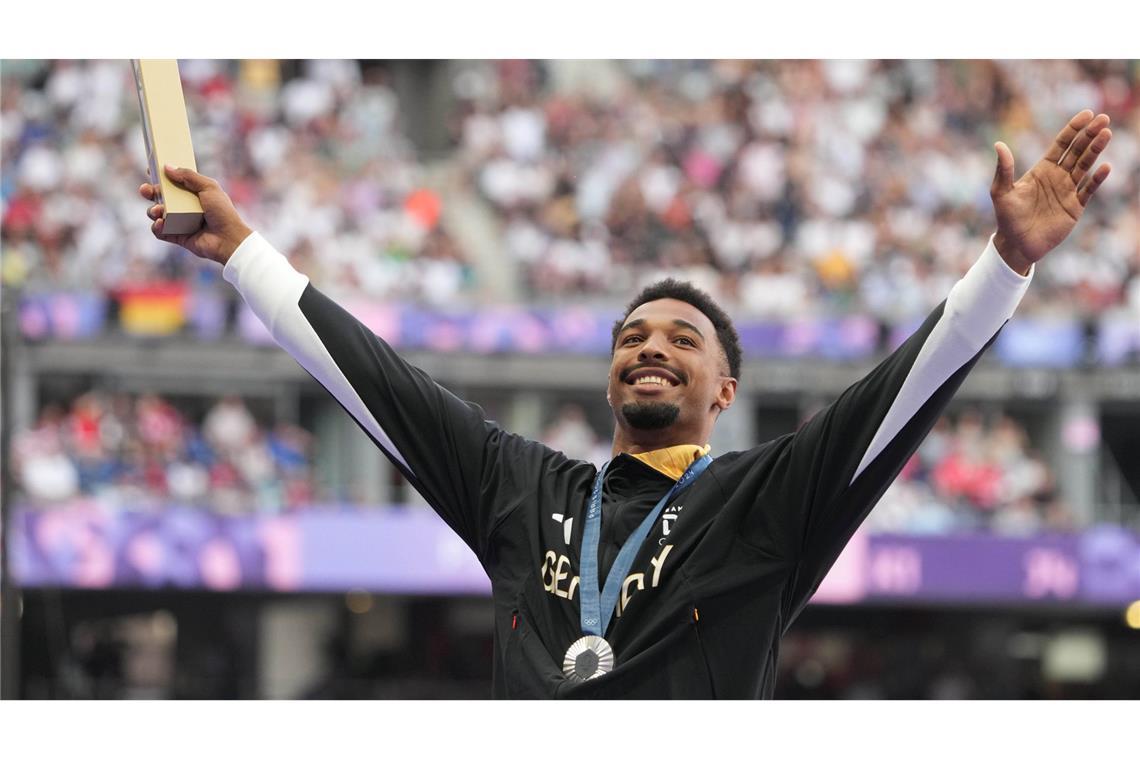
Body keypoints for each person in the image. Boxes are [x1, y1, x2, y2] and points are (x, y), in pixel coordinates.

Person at [140, 110, 1114, 698]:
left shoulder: (763, 503)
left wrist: (1006, 265)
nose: (651, 345)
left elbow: (895, 399)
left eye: (682, 339)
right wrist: (241, 251)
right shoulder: (521, 489)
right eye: (632, 335)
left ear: (725, 390)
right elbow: (379, 386)